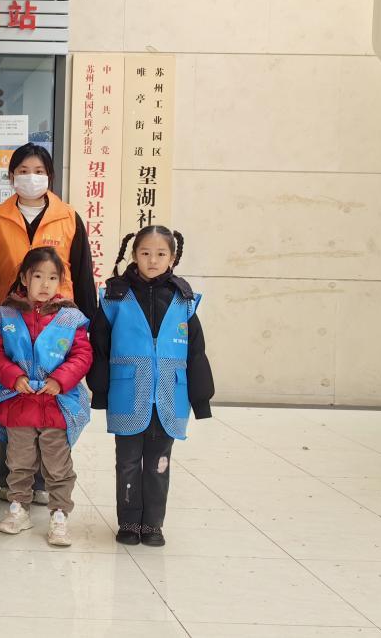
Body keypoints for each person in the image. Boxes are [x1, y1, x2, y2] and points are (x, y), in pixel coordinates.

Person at [0, 143, 97, 505]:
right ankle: (10, 477)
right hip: (10, 324)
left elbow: (82, 275)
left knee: (51, 400)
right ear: (11, 176)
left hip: (58, 327)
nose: (31, 177)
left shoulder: (69, 218)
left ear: (50, 176)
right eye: (23, 171)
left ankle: (46, 481)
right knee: (10, 397)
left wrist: (88, 323)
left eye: (39, 171)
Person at [88, 225, 214, 547]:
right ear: (134, 255)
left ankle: (153, 524)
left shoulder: (184, 300)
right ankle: (130, 522)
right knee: (128, 463)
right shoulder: (115, 297)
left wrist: (201, 399)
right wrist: (99, 392)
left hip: (170, 396)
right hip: (127, 394)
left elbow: (196, 352)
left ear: (172, 258)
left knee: (159, 463)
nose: (153, 260)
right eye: (145, 253)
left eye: (160, 254)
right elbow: (99, 346)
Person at [0, 247, 92, 547]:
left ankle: (59, 514)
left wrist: (60, 380)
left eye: (53, 278)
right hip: (18, 403)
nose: (45, 284)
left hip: (57, 406)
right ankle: (18, 508)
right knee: (18, 461)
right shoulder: (5, 314)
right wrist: (13, 377)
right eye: (38, 276)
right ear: (23, 278)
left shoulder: (71, 318)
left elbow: (82, 355)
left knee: (58, 465)